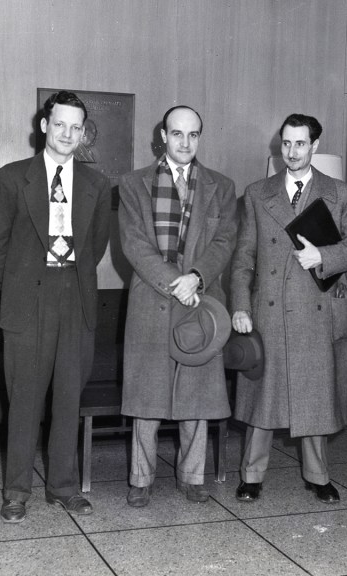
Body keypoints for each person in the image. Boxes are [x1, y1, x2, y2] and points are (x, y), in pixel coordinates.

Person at [0, 91, 113, 522]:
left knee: (69, 398)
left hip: (77, 301)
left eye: (77, 127)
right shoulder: (12, 178)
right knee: (25, 400)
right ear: (44, 126)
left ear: (83, 133)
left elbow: (96, 245)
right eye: (61, 124)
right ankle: (16, 491)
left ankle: (64, 487)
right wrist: (18, 288)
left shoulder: (96, 184)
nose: (68, 134)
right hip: (26, 304)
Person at [229, 113, 347, 504]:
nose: (291, 152)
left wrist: (321, 255)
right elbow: (243, 258)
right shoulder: (257, 192)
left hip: (317, 310)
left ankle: (318, 475)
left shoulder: (340, 193)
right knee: (263, 397)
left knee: (315, 397)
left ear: (315, 146)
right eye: (285, 144)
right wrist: (240, 306)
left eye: (300, 144)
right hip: (268, 312)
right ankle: (252, 475)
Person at [118, 105, 238, 507]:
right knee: (145, 398)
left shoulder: (221, 185)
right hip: (152, 298)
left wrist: (197, 278)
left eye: (193, 135)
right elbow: (134, 244)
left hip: (200, 301)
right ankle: (140, 479)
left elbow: (224, 241)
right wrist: (176, 282)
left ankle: (192, 477)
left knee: (197, 397)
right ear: (162, 136)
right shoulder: (133, 184)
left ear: (200, 137)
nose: (185, 142)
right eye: (177, 134)